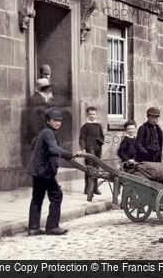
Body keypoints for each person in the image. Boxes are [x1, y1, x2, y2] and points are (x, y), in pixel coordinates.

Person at [28, 108, 84, 236]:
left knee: (37, 198)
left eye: (59, 121)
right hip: (44, 171)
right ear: (48, 121)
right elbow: (53, 149)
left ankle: (33, 228)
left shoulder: (45, 132)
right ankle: (52, 226)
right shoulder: (48, 133)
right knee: (56, 195)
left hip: (37, 170)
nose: (58, 123)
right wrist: (72, 154)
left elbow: (36, 145)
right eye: (55, 120)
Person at [22, 78, 53, 169]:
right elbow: (32, 120)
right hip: (38, 134)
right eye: (46, 88)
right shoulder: (34, 99)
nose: (48, 90)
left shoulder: (46, 99)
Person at [79, 106, 104, 198]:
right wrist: (83, 148)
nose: (92, 116)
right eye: (90, 114)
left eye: (93, 114)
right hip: (89, 148)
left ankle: (95, 188)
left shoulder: (99, 125)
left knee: (96, 167)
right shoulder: (85, 126)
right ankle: (88, 188)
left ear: (96, 115)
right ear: (87, 115)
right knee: (90, 168)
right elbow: (81, 138)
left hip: (98, 148)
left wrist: (100, 141)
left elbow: (102, 136)